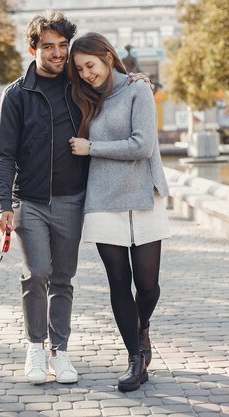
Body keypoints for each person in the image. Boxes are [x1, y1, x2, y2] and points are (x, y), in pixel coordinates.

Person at [0, 11, 148, 385]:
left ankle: (59, 353)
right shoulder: (16, 95)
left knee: (63, 278)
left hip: (72, 200)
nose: (59, 53)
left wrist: (138, 81)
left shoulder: (78, 86)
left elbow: (115, 85)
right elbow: (4, 155)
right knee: (36, 275)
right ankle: (35, 347)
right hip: (29, 200)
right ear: (33, 49)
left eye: (63, 45)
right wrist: (2, 205)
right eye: (49, 46)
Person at [67, 32, 170, 392]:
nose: (86, 74)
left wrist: (92, 147)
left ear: (108, 57)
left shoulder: (139, 89)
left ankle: (142, 327)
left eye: (90, 65)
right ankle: (135, 358)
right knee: (118, 282)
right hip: (102, 200)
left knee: (148, 285)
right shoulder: (81, 97)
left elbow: (142, 146)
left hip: (144, 194)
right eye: (79, 69)